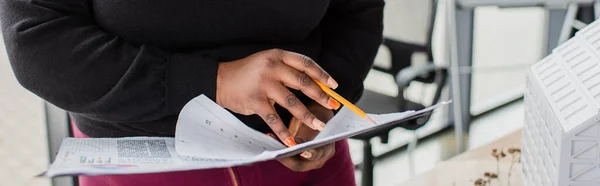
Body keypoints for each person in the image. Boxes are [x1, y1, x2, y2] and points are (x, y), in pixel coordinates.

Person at [0, 0, 383, 185]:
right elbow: (34, 40)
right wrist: (215, 81)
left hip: (306, 161)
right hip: (148, 169)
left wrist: (326, 102)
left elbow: (357, 10)